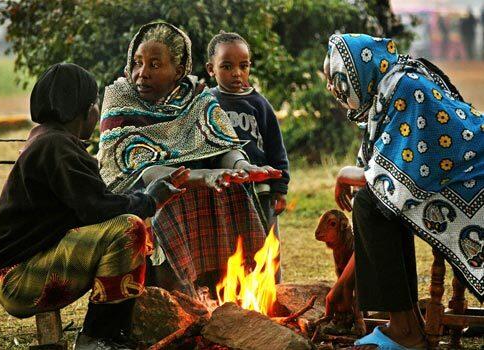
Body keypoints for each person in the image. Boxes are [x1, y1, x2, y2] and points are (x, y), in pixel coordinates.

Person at [0, 63, 189, 349]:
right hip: (20, 280)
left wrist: (144, 197)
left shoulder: (49, 140)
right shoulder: (56, 147)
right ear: (79, 109)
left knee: (132, 223)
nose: (98, 111)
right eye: (94, 103)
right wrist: (150, 199)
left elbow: (94, 201)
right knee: (127, 229)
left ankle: (127, 325)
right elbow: (98, 207)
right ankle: (97, 337)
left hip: (24, 270)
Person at [323, 34, 483, 349]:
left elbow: (387, 184)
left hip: (475, 185)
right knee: (373, 203)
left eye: (334, 78)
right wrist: (343, 286)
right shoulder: (392, 90)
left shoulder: (406, 91)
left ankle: (405, 330)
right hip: (462, 182)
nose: (332, 88)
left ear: (355, 72)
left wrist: (344, 174)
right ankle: (405, 324)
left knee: (372, 202)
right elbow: (386, 191)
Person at [98, 22, 281, 295]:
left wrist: (242, 167)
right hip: (138, 197)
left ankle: (229, 289)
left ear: (178, 71)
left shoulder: (197, 98)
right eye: (137, 63)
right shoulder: (119, 99)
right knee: (166, 198)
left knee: (233, 189)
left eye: (155, 65)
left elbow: (222, 144)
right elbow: (140, 169)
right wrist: (203, 177)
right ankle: (174, 298)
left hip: (195, 189)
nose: (142, 73)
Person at [205, 31, 290, 282]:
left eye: (243, 66)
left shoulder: (259, 104)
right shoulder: (207, 102)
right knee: (230, 247)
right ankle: (230, 293)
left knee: (266, 242)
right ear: (211, 69)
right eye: (227, 66)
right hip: (224, 190)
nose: (237, 73)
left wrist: (280, 187)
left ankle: (272, 292)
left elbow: (276, 149)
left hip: (260, 189)